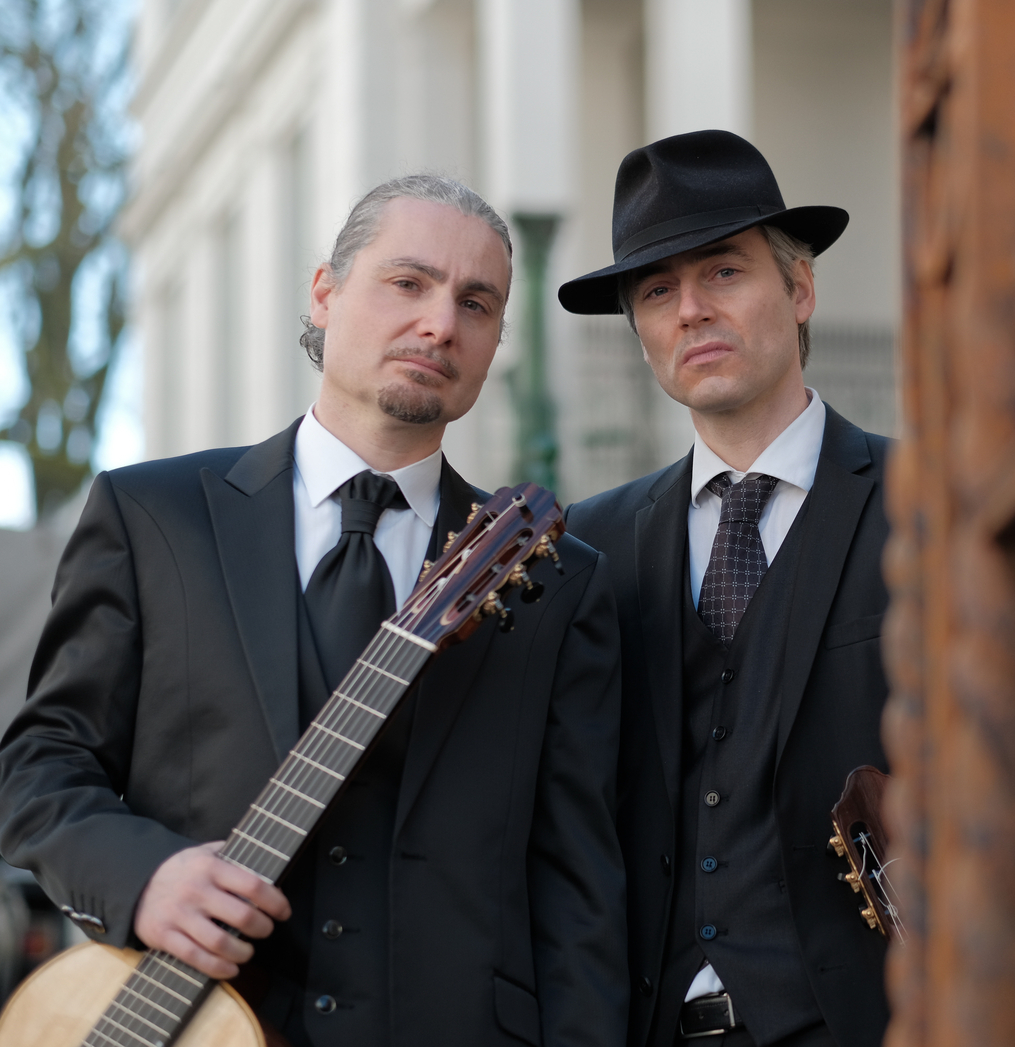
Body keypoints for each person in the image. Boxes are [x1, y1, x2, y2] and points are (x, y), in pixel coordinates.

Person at [0, 175, 628, 1047]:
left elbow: (581, 889)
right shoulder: (154, 517)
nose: (440, 323)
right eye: (408, 282)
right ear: (325, 293)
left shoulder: (558, 580)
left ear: (493, 344)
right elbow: (40, 763)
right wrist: (145, 877)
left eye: (476, 303)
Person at [558, 131, 890, 1047]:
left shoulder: (930, 507)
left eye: (724, 272)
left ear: (800, 288)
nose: (692, 310)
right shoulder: (590, 545)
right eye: (657, 291)